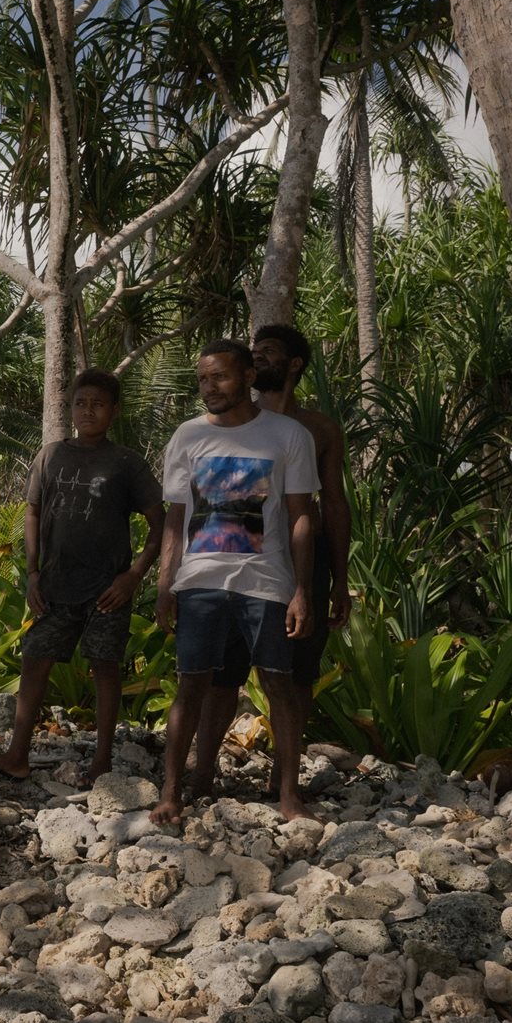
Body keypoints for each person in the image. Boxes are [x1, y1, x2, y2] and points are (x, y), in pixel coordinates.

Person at [0, 369, 163, 783]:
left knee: (104, 667)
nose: (88, 411)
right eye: (80, 403)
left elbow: (162, 522)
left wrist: (135, 575)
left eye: (98, 404)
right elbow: (33, 511)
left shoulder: (126, 463)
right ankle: (16, 755)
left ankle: (102, 763)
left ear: (115, 410)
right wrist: (32, 573)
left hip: (108, 588)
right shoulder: (50, 455)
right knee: (35, 660)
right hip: (55, 585)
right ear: (70, 408)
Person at [150, 339, 319, 825]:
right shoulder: (187, 437)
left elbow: (301, 517)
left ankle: (289, 795)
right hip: (200, 579)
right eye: (203, 379)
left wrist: (301, 589)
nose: (209, 388)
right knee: (191, 685)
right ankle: (172, 791)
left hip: (266, 580)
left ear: (247, 376)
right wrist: (167, 584)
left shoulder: (287, 435)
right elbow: (175, 517)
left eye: (219, 377)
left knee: (278, 685)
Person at [191, 324, 352, 799]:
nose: (257, 359)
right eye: (253, 352)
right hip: (242, 554)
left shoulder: (319, 429)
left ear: (294, 364)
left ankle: (284, 782)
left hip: (304, 561)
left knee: (294, 671)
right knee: (222, 671)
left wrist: (338, 580)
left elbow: (334, 505)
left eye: (268, 353)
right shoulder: (234, 423)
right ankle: (201, 774)